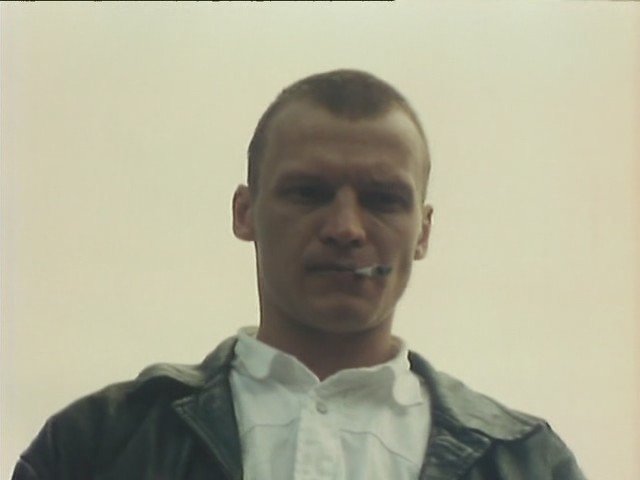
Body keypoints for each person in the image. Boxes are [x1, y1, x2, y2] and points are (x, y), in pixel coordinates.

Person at [13, 69, 586, 480]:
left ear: (424, 231)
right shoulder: (95, 446)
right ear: (245, 213)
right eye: (308, 193)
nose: (346, 228)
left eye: (383, 199)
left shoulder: (527, 463)